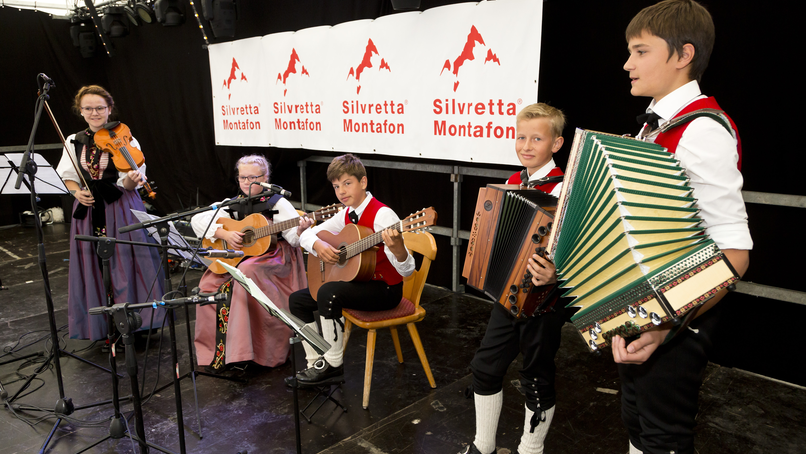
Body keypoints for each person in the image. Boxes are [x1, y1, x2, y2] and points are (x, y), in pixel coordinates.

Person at [613, 1, 752, 453]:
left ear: (683, 54)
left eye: (640, 52)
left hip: (679, 319)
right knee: (638, 424)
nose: (628, 64)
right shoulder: (652, 128)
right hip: (642, 311)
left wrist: (664, 326)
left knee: (663, 437)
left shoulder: (703, 130)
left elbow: (733, 253)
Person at [460, 103, 567, 454]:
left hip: (545, 302)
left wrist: (558, 272)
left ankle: (530, 449)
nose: (526, 145)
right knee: (485, 367)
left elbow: (584, 245)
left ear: (556, 143)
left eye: (537, 138)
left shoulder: (566, 188)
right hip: (508, 296)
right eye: (521, 137)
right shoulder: (511, 183)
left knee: (536, 378)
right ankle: (483, 446)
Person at [287, 153, 415, 386]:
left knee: (328, 293)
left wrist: (399, 250)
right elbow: (307, 234)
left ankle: (333, 365)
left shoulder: (383, 215)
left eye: (347, 183)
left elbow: (406, 271)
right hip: (359, 283)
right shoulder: (346, 213)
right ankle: (316, 362)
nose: (341, 192)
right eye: (336, 187)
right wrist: (317, 245)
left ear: (363, 182)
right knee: (297, 301)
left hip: (385, 289)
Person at [56, 85, 165, 340]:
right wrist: (76, 193)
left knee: (126, 262)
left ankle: (134, 321)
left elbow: (128, 182)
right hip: (89, 207)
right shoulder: (73, 140)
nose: (94, 113)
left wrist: (132, 180)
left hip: (120, 205)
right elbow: (68, 175)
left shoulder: (126, 138)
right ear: (80, 111)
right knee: (92, 263)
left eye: (100, 108)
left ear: (109, 109)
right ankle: (101, 325)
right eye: (88, 108)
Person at [190, 154, 310, 371]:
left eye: (252, 178)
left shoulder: (277, 202)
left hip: (275, 257)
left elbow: (293, 238)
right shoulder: (233, 203)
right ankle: (217, 353)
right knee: (208, 284)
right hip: (243, 256)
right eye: (242, 178)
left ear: (265, 178)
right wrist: (224, 234)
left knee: (246, 272)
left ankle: (251, 354)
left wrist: (301, 230)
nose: (246, 183)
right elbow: (197, 219)